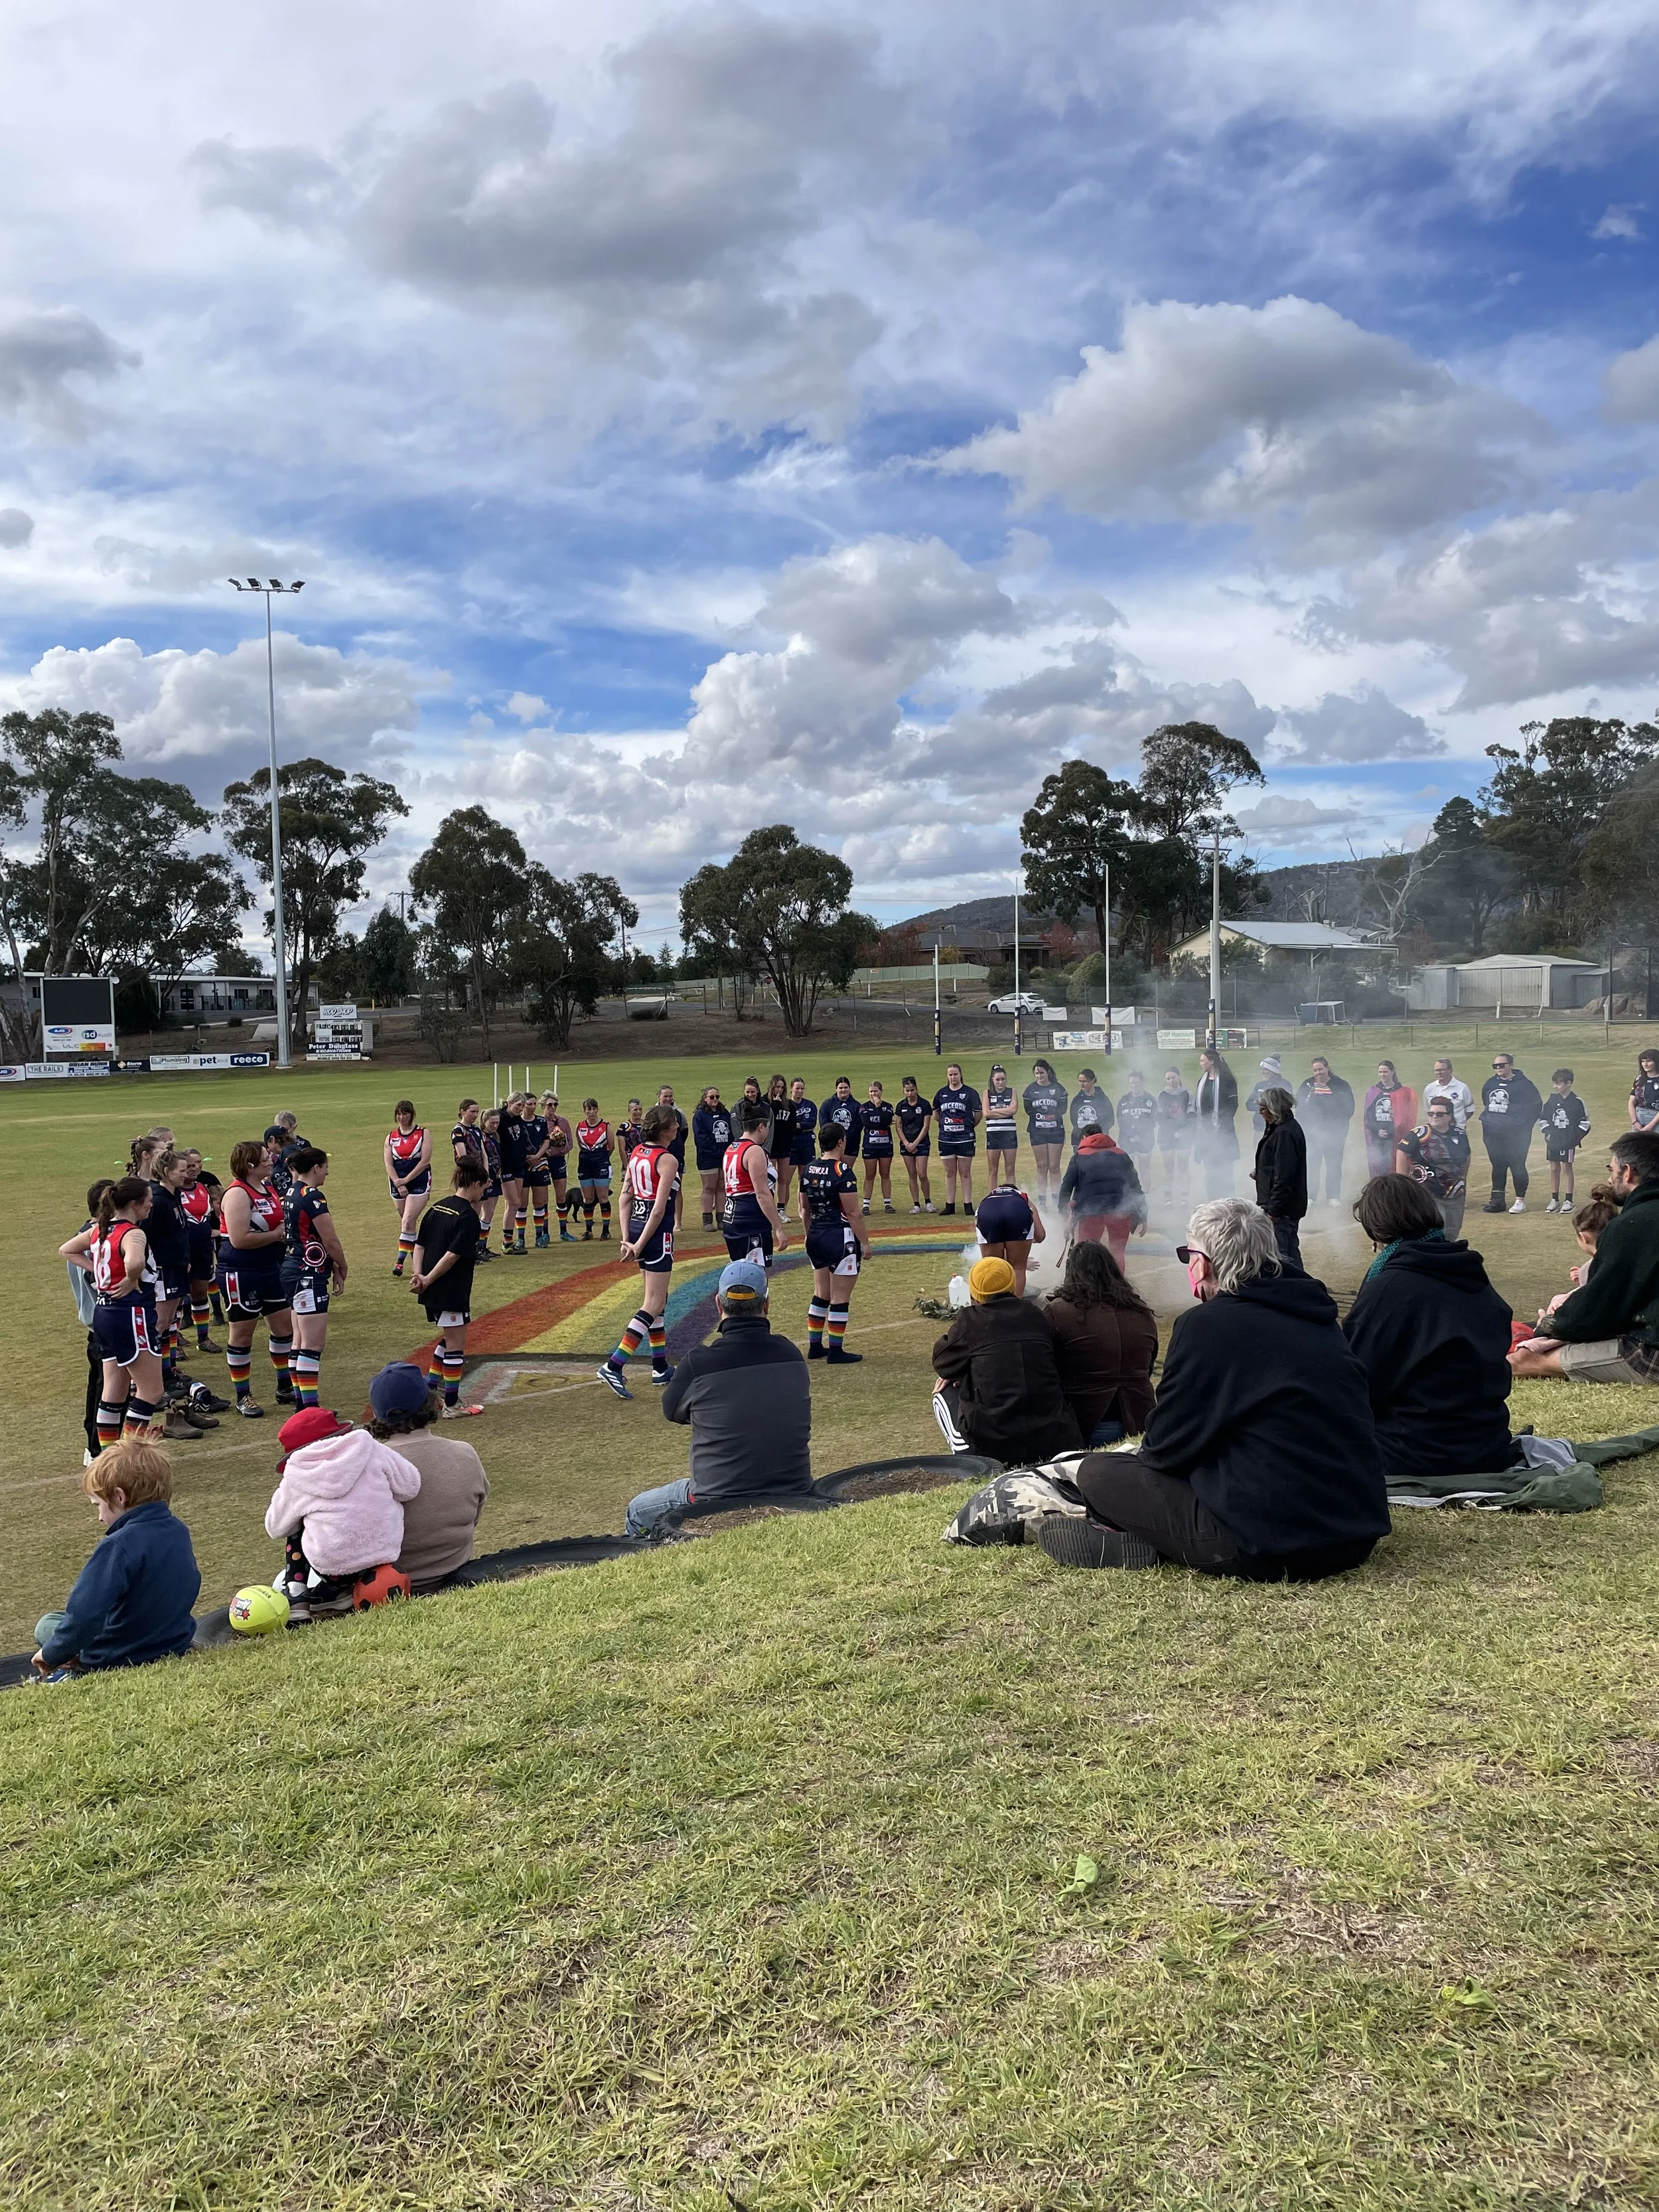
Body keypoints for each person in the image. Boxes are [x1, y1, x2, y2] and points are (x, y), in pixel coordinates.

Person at [1045, 1199, 1389, 1577]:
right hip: (1353, 1532)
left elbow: (1164, 1448)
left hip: (1266, 1540)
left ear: (1202, 1262)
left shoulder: (1206, 1326)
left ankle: (1133, 1538)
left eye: (1187, 1254)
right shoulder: (1319, 1318)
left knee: (1098, 1471)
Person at [1342, 1174, 1515, 1482]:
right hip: (1488, 1444)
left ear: (1376, 1229)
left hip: (1418, 1452)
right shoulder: (1468, 1270)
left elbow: (1355, 1384)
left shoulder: (1390, 1287)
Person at [625, 1259, 812, 1537]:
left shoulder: (698, 1364)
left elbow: (672, 1410)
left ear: (718, 1304)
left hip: (717, 1498)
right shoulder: (791, 1354)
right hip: (794, 1489)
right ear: (766, 1305)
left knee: (638, 1511)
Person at [31, 1440, 200, 1682]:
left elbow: (84, 1616)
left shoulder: (118, 1546)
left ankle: (71, 1670)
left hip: (119, 1653)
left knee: (47, 1625)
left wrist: (52, 1654)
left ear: (120, 1497)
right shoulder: (179, 1531)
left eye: (99, 1505)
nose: (100, 1517)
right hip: (172, 1642)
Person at [1510, 1130, 1659, 1382]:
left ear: (1628, 1172)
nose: (1610, 1180)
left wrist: (1548, 1325)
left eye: (1612, 1171)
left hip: (1650, 1352)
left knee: (1523, 1359)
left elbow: (1597, 1311)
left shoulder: (1632, 1225)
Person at [264, 1406, 421, 1618]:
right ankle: (343, 1593)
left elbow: (275, 1527)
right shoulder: (371, 1448)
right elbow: (410, 1486)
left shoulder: (297, 1474)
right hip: (383, 1555)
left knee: (296, 1527)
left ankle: (297, 1595)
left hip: (332, 1569)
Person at [931, 1256, 1082, 1463]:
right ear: (1012, 1284)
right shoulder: (1037, 1315)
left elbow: (942, 1363)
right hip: (1053, 1437)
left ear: (974, 1291)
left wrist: (960, 1373)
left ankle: (968, 1459)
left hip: (994, 1444)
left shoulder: (970, 1320)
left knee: (942, 1392)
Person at [60, 1177, 166, 1447]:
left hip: (104, 1314)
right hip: (132, 1314)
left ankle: (105, 1455)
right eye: (148, 1202)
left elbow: (67, 1249)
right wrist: (132, 1278)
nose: (151, 1206)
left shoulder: (98, 1230)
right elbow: (135, 1260)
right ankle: (128, 1455)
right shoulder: (134, 1233)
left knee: (113, 1392)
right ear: (133, 1204)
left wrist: (97, 1269)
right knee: (151, 1391)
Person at [366, 1362, 490, 1590]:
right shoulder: (465, 1452)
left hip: (392, 1589)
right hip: (458, 1576)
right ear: (432, 1403)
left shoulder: (369, 1465)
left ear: (376, 1413)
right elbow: (474, 1517)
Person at [597, 1102, 683, 1400]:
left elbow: (625, 1198)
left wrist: (627, 1239)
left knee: (659, 1300)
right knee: (653, 1301)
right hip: (654, 1234)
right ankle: (614, 1364)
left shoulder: (636, 1153)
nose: (678, 1127)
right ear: (665, 1129)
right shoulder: (667, 1159)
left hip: (636, 1227)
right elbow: (659, 1211)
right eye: (674, 1124)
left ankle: (659, 1367)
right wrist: (641, 1243)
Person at [1043, 1238, 1157, 1446]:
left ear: (1072, 1272)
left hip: (1086, 1422)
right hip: (1141, 1420)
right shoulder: (1141, 1312)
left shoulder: (1058, 1312)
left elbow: (1045, 1372)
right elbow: (1147, 1366)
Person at [216, 1138, 295, 1418]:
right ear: (249, 1165)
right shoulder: (238, 1194)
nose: (270, 1159)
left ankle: (285, 1385)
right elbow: (238, 1239)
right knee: (242, 1334)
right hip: (242, 1272)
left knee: (284, 1327)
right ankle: (243, 1395)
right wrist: (277, 1235)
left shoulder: (267, 1188)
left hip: (270, 1267)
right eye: (263, 1157)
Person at [411, 1157, 488, 1414]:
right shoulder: (468, 1217)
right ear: (476, 1184)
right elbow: (453, 1255)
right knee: (456, 1345)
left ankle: (428, 1394)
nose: (484, 1194)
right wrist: (429, 1279)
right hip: (450, 1288)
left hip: (430, 1287)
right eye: (484, 1188)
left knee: (448, 1338)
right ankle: (452, 1406)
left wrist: (418, 1276)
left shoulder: (437, 1207)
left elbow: (419, 1245)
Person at [280, 1145, 347, 1412]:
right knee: (312, 1344)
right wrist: (342, 1265)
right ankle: (309, 1409)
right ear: (316, 1168)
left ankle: (302, 1405)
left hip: (292, 1270)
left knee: (298, 1341)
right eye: (325, 1167)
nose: (328, 1172)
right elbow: (329, 1239)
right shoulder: (313, 1196)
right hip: (308, 1273)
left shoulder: (290, 1192)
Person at [800, 1122, 867, 1361]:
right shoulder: (843, 1171)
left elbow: (804, 1209)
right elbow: (853, 1213)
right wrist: (865, 1244)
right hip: (839, 1237)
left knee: (821, 1293)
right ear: (841, 1142)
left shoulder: (809, 1169)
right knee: (840, 1298)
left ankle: (815, 1346)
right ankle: (836, 1351)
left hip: (816, 1235)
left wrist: (808, 1234)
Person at [1058, 1129, 1147, 1266]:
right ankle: (1116, 1286)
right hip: (1120, 1210)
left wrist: (1064, 1216)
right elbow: (1135, 1187)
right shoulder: (1121, 1155)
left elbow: (1066, 1188)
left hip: (1090, 1213)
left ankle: (1088, 1286)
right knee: (1117, 1254)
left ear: (1084, 1138)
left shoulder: (1079, 1156)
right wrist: (1143, 1215)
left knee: (1086, 1255)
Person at [719, 1100, 790, 1270]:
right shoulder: (755, 1151)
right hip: (751, 1218)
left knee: (738, 1273)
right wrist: (778, 1227)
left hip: (731, 1216)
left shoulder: (731, 1148)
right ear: (761, 1127)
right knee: (755, 1277)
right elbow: (761, 1193)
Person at [1395, 1095, 1472, 1240]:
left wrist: (1463, 1178)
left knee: (1452, 1233)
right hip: (1428, 1193)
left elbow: (1467, 1155)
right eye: (1431, 1114)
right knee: (1435, 1231)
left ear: (1450, 1116)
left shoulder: (1460, 1134)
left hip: (1455, 1194)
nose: (1434, 1116)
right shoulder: (1418, 1135)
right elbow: (1402, 1152)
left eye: (1439, 1114)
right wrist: (1403, 1182)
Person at [1479, 1049, 1542, 1213]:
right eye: (1495, 1065)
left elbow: (1536, 1107)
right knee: (1498, 1165)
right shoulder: (1490, 1084)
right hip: (1493, 1133)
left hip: (1516, 1135)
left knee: (1517, 1165)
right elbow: (1486, 1101)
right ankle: (1497, 1201)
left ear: (1511, 1065)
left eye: (1501, 1065)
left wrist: (1523, 1126)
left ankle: (1520, 1201)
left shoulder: (1525, 1085)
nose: (1498, 1068)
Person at [1251, 1088, 1307, 1268]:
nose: (1260, 1114)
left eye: (1263, 1109)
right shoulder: (1283, 1127)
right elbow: (1279, 1165)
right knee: (1290, 1250)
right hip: (1287, 1206)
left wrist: (1273, 1211)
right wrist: (1261, 1172)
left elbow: (1285, 1176)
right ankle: (1301, 1286)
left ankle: (1292, 1289)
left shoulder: (1284, 1133)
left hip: (1282, 1209)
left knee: (1281, 1254)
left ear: (1274, 1108)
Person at [178, 1148, 226, 1349]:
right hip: (181, 1252)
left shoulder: (202, 1188)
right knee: (177, 1296)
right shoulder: (173, 1191)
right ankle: (174, 1342)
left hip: (203, 1249)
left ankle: (203, 1338)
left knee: (200, 1292)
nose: (195, 1168)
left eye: (197, 1164)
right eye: (189, 1166)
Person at [1295, 1056, 1355, 1209]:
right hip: (1312, 1135)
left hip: (1335, 1134)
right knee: (1312, 1166)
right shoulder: (1307, 1085)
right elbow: (1300, 1109)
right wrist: (1308, 1129)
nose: (1318, 1073)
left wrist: (1336, 1128)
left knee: (1334, 1165)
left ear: (1328, 1068)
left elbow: (1349, 1109)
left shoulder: (1341, 1085)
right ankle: (1311, 1196)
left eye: (1320, 1069)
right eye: (1315, 1070)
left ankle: (1333, 1196)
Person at [975, 1169, 1046, 1293]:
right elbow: (1040, 1236)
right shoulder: (1023, 1197)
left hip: (987, 1213)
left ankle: (991, 1307)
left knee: (992, 1268)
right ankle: (1015, 1308)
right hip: (1017, 1212)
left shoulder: (988, 1199)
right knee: (1018, 1268)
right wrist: (1020, 1252)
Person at [385, 1100, 433, 1276]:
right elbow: (388, 1163)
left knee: (407, 1221)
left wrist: (406, 1180)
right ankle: (417, 1259)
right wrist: (398, 1181)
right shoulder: (391, 1136)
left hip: (418, 1180)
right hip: (397, 1182)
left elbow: (425, 1161)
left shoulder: (423, 1133)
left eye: (405, 1113)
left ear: (412, 1114)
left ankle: (399, 1262)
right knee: (408, 1222)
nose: (402, 1117)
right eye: (399, 1114)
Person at [932, 1061, 982, 1215]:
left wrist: (967, 1126)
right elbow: (936, 1114)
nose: (953, 1077)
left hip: (965, 1138)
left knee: (965, 1172)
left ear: (960, 1074)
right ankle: (950, 1205)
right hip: (946, 1139)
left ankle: (968, 1204)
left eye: (955, 1074)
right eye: (950, 1075)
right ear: (947, 1076)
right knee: (949, 1172)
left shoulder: (970, 1093)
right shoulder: (941, 1093)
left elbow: (978, 1115)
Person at [1541, 1069, 1592, 1213]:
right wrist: (1548, 1133)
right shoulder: (1551, 1100)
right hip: (1553, 1141)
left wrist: (1575, 1139)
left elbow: (1585, 1123)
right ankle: (1555, 1199)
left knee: (1566, 1168)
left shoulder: (1577, 1102)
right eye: (1554, 1084)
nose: (1555, 1087)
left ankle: (1569, 1200)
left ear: (1569, 1083)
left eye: (1558, 1084)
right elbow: (1543, 1119)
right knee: (1554, 1168)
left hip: (1568, 1141)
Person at [1192, 1047, 1238, 1199]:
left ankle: (1228, 1199)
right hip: (1206, 1134)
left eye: (1203, 1060)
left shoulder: (1227, 1080)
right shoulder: (1202, 1081)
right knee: (1210, 1170)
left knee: (1225, 1169)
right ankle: (1212, 1200)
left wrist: (1220, 1126)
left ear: (1211, 1061)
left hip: (1223, 1132)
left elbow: (1233, 1105)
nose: (1200, 1064)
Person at [1362, 1061, 1417, 1182]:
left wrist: (1391, 1131)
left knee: (1390, 1165)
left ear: (1392, 1072)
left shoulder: (1402, 1092)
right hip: (1377, 1136)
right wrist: (1377, 1130)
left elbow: (1405, 1117)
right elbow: (1368, 1115)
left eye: (1385, 1072)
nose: (1383, 1075)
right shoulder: (1373, 1092)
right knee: (1377, 1165)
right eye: (1380, 1072)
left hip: (1393, 1137)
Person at [1022, 1058, 1068, 1207]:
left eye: (1041, 1072)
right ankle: (1042, 1201)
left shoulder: (1058, 1089)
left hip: (1055, 1130)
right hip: (1037, 1131)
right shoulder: (1030, 1090)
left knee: (1054, 1166)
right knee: (1042, 1165)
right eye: (1036, 1073)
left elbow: (1063, 1109)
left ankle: (1056, 1199)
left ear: (1047, 1072)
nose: (1039, 1076)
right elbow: (1029, 1110)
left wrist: (1050, 1117)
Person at [691, 1085, 735, 1230]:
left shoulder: (724, 1113)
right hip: (708, 1157)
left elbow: (731, 1132)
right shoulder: (700, 1115)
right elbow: (701, 1138)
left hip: (724, 1156)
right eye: (712, 1097)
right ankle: (707, 1220)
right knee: (709, 1187)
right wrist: (717, 1151)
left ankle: (721, 1218)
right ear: (705, 1098)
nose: (715, 1099)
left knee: (722, 1186)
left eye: (717, 1097)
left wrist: (727, 1151)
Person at [1153, 1067, 1194, 1204]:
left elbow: (1191, 1114)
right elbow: (1159, 1117)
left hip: (1184, 1134)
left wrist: (1183, 1131)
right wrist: (1171, 1130)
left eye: (1173, 1077)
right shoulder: (1162, 1094)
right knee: (1168, 1166)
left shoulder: (1188, 1094)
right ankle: (1168, 1197)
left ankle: (1184, 1197)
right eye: (1168, 1079)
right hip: (1167, 1135)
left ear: (1179, 1076)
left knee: (1183, 1165)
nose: (1171, 1081)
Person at [574, 1098, 614, 1239]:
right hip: (585, 1166)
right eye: (588, 1109)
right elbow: (581, 1146)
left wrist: (600, 1158)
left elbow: (611, 1147)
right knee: (588, 1198)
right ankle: (588, 1230)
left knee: (603, 1197)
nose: (591, 1112)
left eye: (594, 1109)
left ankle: (606, 1230)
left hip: (601, 1165)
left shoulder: (605, 1126)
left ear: (598, 1109)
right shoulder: (580, 1126)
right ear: (584, 1111)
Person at [654, 1085, 689, 1228]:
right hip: (657, 1156)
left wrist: (677, 1147)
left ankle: (678, 1222)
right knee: (658, 1188)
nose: (668, 1099)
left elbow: (684, 1132)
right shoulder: (653, 1113)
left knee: (677, 1188)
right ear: (659, 1097)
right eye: (665, 1096)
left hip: (676, 1156)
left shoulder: (679, 1113)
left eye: (670, 1096)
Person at [783, 1076, 818, 1221]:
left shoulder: (810, 1105)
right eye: (797, 1088)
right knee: (785, 1180)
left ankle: (802, 1209)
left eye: (802, 1088)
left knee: (804, 1180)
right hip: (790, 1146)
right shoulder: (785, 1105)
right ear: (791, 1088)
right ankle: (782, 1210)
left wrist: (797, 1125)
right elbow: (785, 1125)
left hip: (807, 1146)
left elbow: (811, 1123)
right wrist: (797, 1126)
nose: (800, 1091)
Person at [897, 1074, 934, 1212]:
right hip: (906, 1144)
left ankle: (928, 1202)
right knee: (912, 1174)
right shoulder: (901, 1106)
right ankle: (916, 1204)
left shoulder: (924, 1104)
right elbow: (899, 1127)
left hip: (922, 1142)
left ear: (916, 1089)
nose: (910, 1093)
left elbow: (926, 1127)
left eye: (912, 1090)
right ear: (904, 1091)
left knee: (922, 1174)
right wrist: (907, 1143)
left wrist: (915, 1143)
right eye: (907, 1090)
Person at [981, 1064, 1019, 1195]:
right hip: (993, 1134)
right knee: (993, 1170)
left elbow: (1014, 1110)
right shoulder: (987, 1093)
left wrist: (996, 1110)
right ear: (993, 1079)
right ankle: (993, 1198)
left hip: (1009, 1133)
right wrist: (1005, 1111)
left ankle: (1012, 1196)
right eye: (998, 1079)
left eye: (1003, 1079)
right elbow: (986, 1113)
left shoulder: (1012, 1091)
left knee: (1010, 1169)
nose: (1001, 1082)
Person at [861, 1079, 897, 1213]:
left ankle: (887, 1203)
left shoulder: (888, 1106)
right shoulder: (864, 1107)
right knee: (870, 1175)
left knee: (885, 1174)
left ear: (881, 1092)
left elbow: (886, 1120)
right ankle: (866, 1205)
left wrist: (878, 1106)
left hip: (886, 1145)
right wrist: (883, 1123)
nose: (873, 1094)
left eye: (876, 1091)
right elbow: (867, 1124)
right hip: (870, 1145)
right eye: (871, 1091)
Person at [1114, 1070, 1156, 1188]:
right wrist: (1131, 1135)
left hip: (1145, 1140)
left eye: (1136, 1083)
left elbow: (1152, 1120)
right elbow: (1121, 1120)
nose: (1134, 1085)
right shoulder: (1124, 1100)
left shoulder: (1150, 1099)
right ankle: (1128, 1197)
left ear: (1142, 1082)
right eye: (1132, 1083)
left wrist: (1140, 1136)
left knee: (1144, 1168)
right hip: (1127, 1140)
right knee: (1127, 1169)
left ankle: (1146, 1196)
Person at [476, 1108, 504, 1258]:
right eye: (492, 1123)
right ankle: (479, 1247)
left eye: (497, 1123)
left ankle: (483, 1245)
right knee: (486, 1214)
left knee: (490, 1213)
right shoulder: (481, 1137)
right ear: (484, 1122)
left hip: (496, 1177)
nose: (494, 1125)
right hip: (487, 1178)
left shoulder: (496, 1136)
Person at [819, 1074, 863, 1164]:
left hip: (850, 1146)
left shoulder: (857, 1106)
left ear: (850, 1088)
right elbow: (824, 1125)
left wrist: (844, 1139)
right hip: (831, 1145)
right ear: (836, 1089)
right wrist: (836, 1139)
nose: (843, 1090)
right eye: (841, 1087)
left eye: (846, 1087)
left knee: (846, 1173)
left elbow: (858, 1127)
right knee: (830, 1172)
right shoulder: (827, 1104)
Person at [1423, 1057, 1474, 1132]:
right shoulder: (1429, 1088)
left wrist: (1459, 1122)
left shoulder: (1462, 1088)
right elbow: (1429, 1110)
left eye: (1442, 1070)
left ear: (1450, 1070)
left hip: (1458, 1129)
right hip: (1436, 1131)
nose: (1439, 1073)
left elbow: (1470, 1110)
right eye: (1436, 1070)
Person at [1244, 1055, 1288, 1138]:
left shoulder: (1284, 1085)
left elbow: (1283, 1107)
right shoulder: (1259, 1086)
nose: (1262, 1072)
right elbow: (1249, 1105)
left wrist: (1262, 1105)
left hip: (1277, 1129)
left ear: (1274, 1071)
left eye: (1266, 1070)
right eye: (1262, 1070)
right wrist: (1265, 1106)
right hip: (1259, 1128)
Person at [1068, 1068, 1114, 1146]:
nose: (1082, 1084)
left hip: (1098, 1141)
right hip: (1079, 1139)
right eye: (1080, 1081)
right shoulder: (1077, 1100)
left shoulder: (1103, 1099)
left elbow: (1109, 1120)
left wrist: (1099, 1134)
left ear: (1093, 1081)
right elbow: (1074, 1119)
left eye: (1085, 1081)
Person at [1630, 1049, 1659, 1130]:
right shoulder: (1639, 1079)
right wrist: (1635, 1122)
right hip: (1639, 1118)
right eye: (1643, 1061)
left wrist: (1650, 1126)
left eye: (1649, 1061)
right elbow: (1631, 1102)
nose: (1645, 1064)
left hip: (1655, 1119)